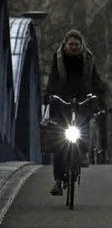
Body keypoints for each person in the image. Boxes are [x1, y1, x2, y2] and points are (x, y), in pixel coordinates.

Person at [44, 29, 106, 196]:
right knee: (60, 141)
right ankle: (58, 181)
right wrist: (49, 95)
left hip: (82, 96)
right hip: (62, 97)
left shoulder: (87, 58)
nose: (73, 48)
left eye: (76, 45)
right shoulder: (58, 58)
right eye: (70, 44)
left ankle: (83, 152)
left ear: (81, 45)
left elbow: (95, 78)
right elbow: (53, 77)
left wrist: (99, 97)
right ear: (65, 44)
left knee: (83, 122)